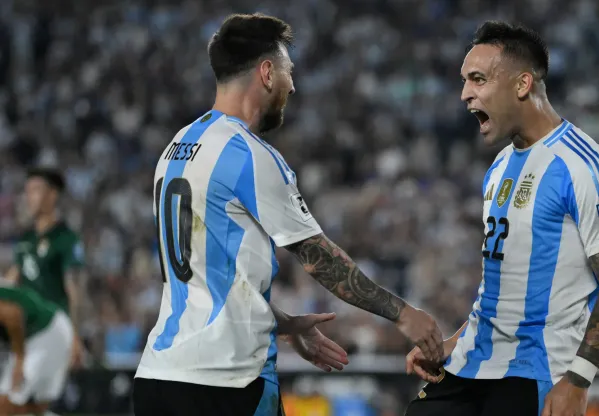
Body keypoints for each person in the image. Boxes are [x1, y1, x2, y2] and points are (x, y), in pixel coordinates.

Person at [133, 13, 443, 416]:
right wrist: (403, 315)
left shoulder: (176, 147)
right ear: (266, 72)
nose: (292, 85)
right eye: (287, 71)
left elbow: (204, 277)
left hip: (159, 378)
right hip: (226, 384)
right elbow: (319, 258)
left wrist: (279, 322)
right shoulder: (249, 154)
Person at [404, 21, 599, 416]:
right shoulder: (499, 167)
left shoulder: (583, 165)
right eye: (464, 80)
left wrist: (578, 380)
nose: (464, 94)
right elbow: (500, 290)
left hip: (535, 373)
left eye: (477, 79)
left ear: (522, 84)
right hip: (470, 365)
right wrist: (453, 343)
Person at [4, 168, 84, 367]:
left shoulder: (66, 239)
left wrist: (75, 335)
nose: (29, 197)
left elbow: (73, 290)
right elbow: (11, 282)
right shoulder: (26, 239)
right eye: (27, 191)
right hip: (30, 331)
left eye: (36, 190)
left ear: (52, 195)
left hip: (55, 330)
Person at [0, 284, 74, 416]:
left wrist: (19, 358)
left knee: (7, 405)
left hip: (46, 331)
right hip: (39, 334)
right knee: (33, 408)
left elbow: (12, 315)